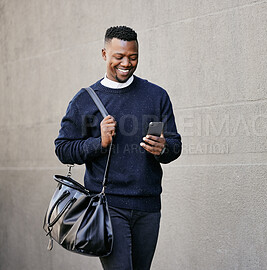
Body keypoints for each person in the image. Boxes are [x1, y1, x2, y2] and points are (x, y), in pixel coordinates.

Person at [55, 26, 182, 269]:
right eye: (119, 57)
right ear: (104, 54)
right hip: (108, 205)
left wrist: (163, 148)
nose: (126, 63)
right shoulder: (85, 99)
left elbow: (175, 145)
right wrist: (99, 143)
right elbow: (62, 149)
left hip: (149, 206)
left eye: (133, 57)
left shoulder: (157, 95)